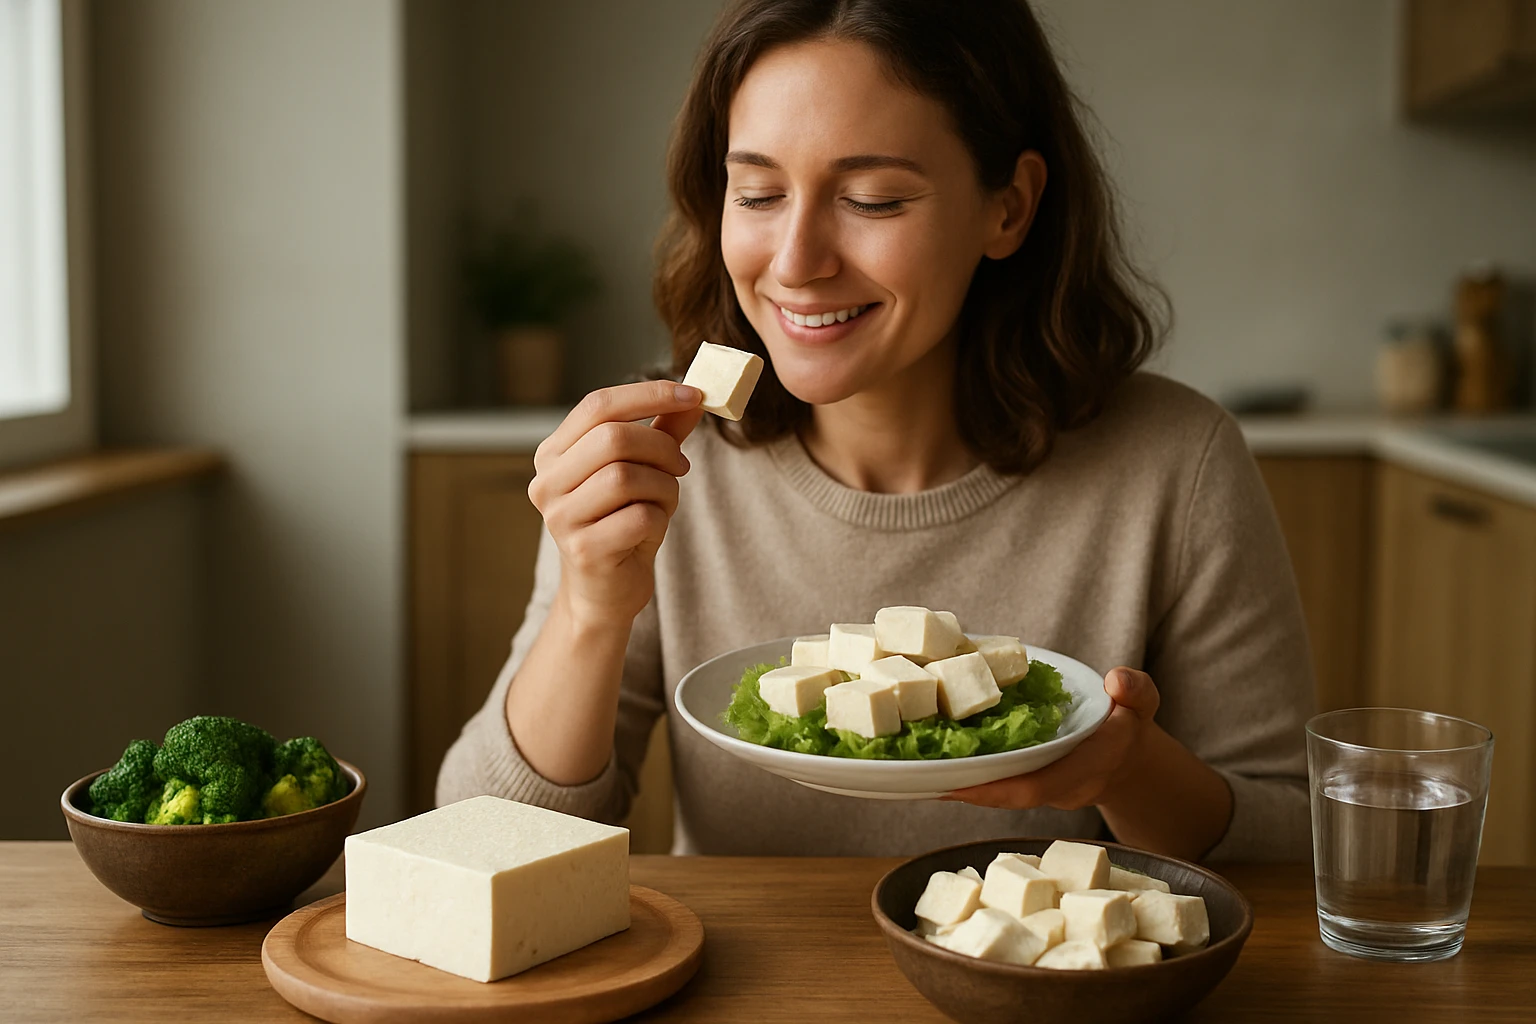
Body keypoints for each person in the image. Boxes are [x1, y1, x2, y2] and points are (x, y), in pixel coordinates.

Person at [438, 0, 1314, 862]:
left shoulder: (1175, 462)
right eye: (758, 192)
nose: (794, 262)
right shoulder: (656, 457)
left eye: (873, 199)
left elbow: (1294, 841)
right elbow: (480, 843)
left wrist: (1126, 771)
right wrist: (591, 611)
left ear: (1008, 208)